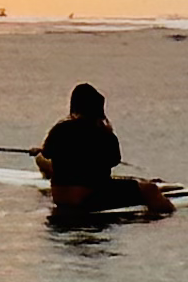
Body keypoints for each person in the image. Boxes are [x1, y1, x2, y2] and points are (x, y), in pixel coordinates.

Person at [36, 83, 174, 215]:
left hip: (61, 198)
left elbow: (46, 153)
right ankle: (168, 215)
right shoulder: (102, 132)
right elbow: (114, 160)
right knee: (150, 189)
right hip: (89, 198)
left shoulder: (59, 129)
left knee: (43, 162)